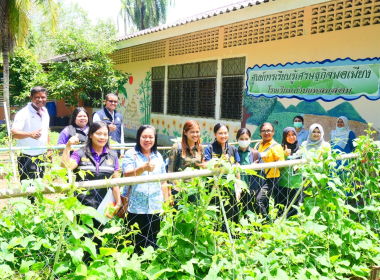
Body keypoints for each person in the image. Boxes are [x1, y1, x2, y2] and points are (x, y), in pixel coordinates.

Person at [61, 121, 121, 263]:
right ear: (91, 135)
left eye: (105, 134)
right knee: (83, 241)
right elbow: (66, 167)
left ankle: (95, 270)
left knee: (98, 240)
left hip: (103, 206)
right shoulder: (80, 153)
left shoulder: (112, 155)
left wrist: (118, 202)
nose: (102, 137)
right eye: (99, 133)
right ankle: (82, 270)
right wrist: (68, 147)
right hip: (82, 206)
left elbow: (115, 182)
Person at [122, 125, 171, 255]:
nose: (147, 140)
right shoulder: (131, 154)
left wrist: (166, 202)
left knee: (153, 241)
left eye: (151, 137)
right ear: (139, 138)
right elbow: (126, 174)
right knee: (135, 242)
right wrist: (143, 168)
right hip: (136, 206)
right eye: (144, 136)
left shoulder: (158, 156)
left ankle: (149, 269)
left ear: (155, 138)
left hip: (155, 205)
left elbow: (163, 181)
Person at [11, 86, 51, 203]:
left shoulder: (45, 111)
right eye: (37, 97)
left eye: (43, 97)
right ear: (31, 98)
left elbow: (46, 130)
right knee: (28, 185)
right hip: (27, 155)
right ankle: (30, 209)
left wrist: (48, 148)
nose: (40, 100)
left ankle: (38, 207)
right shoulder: (23, 113)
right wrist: (30, 134)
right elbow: (14, 133)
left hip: (41, 154)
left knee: (39, 182)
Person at [204, 123, 241, 233]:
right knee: (213, 213)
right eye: (220, 133)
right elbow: (207, 166)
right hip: (213, 186)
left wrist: (238, 187)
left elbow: (237, 168)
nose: (223, 135)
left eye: (225, 133)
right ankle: (214, 238)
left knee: (231, 212)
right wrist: (221, 161)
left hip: (229, 185)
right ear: (215, 134)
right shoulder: (209, 148)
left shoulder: (233, 149)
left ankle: (229, 238)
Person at [167, 120, 204, 208]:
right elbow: (170, 171)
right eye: (192, 132)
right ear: (185, 132)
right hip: (179, 190)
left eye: (197, 132)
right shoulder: (177, 148)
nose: (195, 135)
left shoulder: (200, 148)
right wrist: (169, 193)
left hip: (195, 190)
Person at [253, 122, 285, 219]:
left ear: (273, 132)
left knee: (259, 200)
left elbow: (282, 165)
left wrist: (278, 163)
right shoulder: (258, 145)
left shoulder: (276, 146)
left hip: (271, 179)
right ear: (260, 132)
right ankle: (261, 225)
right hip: (258, 177)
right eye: (264, 131)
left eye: (269, 131)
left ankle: (267, 221)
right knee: (264, 201)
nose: (266, 133)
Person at [236, 128, 264, 217]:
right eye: (241, 139)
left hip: (251, 188)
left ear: (250, 139)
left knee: (249, 212)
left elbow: (263, 170)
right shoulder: (234, 152)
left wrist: (254, 168)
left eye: (246, 139)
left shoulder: (255, 153)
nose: (244, 141)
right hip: (237, 189)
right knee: (235, 212)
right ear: (237, 139)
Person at [277, 127, 303, 218]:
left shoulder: (301, 150)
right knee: (280, 207)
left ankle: (291, 226)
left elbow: (305, 166)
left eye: (293, 134)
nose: (291, 137)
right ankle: (279, 227)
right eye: (288, 135)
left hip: (296, 183)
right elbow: (278, 164)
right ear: (284, 137)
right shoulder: (280, 148)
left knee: (293, 209)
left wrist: (297, 166)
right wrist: (284, 154)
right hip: (282, 183)